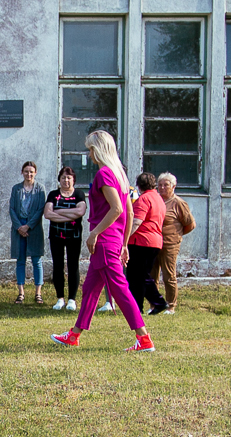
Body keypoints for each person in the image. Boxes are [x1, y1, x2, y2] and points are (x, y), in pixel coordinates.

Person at [52, 131, 155, 352]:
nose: (89, 154)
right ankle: (74, 334)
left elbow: (118, 209)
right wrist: (125, 243)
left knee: (120, 290)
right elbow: (127, 210)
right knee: (90, 289)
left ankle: (144, 338)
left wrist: (94, 233)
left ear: (99, 149)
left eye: (90, 149)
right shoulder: (119, 174)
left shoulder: (104, 174)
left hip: (105, 242)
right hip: (112, 242)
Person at [125, 172, 168, 316]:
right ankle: (139, 307)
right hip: (155, 241)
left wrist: (124, 239)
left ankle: (157, 302)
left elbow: (136, 221)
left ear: (138, 185)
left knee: (137, 276)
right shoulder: (158, 198)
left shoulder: (144, 199)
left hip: (141, 242)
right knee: (142, 276)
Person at [44, 167, 86, 313]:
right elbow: (48, 214)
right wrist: (70, 215)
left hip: (74, 236)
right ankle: (60, 298)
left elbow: (80, 212)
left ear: (73, 179)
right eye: (63, 177)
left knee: (73, 266)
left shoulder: (79, 194)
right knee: (58, 266)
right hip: (56, 236)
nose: (66, 180)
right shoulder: (53, 194)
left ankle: (72, 299)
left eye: (68, 177)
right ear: (59, 179)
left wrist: (59, 212)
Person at [7, 162, 46, 304]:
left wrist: (28, 226)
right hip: (18, 227)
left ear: (35, 173)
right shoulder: (16, 189)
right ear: (22, 172)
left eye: (31, 172)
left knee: (36, 260)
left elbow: (41, 209)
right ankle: (21, 293)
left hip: (33, 227)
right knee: (20, 260)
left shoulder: (40, 189)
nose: (28, 174)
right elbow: (11, 209)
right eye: (26, 171)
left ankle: (38, 293)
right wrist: (19, 227)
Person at [155, 172, 193, 312]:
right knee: (152, 275)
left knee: (168, 275)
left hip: (170, 244)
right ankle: (155, 304)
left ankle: (171, 306)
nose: (162, 188)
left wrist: (176, 235)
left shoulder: (179, 203)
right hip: (154, 243)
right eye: (160, 185)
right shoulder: (156, 200)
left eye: (166, 185)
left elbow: (190, 224)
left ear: (173, 186)